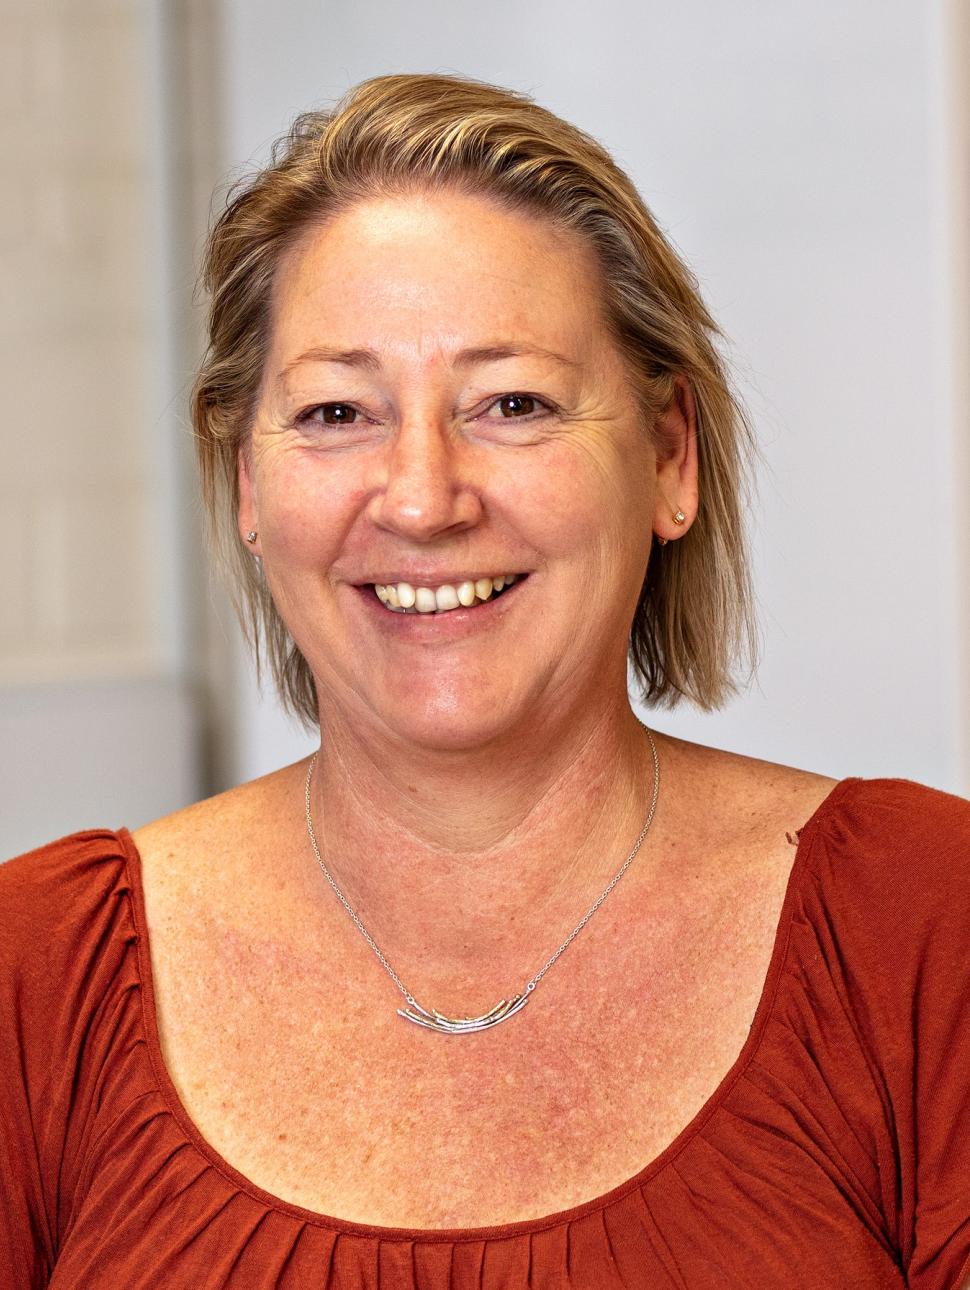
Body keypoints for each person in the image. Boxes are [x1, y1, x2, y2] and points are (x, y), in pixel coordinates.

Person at [1, 73, 968, 1290]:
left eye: (511, 403)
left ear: (670, 457)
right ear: (246, 483)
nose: (419, 497)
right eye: (337, 410)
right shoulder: (32, 977)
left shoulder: (924, 927)